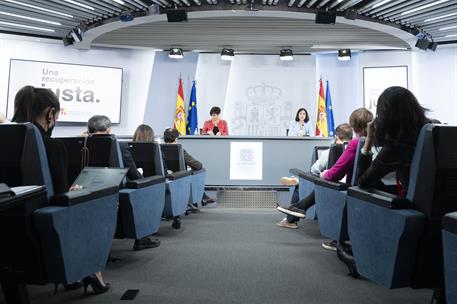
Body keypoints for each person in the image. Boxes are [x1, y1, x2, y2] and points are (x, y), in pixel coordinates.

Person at [11, 85, 110, 295]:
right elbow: (61, 196)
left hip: (10, 223)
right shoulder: (52, 146)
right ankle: (90, 270)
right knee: (89, 203)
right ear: (50, 113)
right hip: (41, 227)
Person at [277, 108, 373, 238]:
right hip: (369, 187)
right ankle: (299, 206)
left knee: (323, 179)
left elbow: (334, 174)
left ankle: (296, 208)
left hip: (352, 188)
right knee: (323, 179)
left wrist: (325, 174)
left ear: (354, 126)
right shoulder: (376, 143)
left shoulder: (356, 143)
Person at [87, 115, 161, 251]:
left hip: (85, 192)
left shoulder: (81, 145)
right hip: (118, 193)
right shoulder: (120, 147)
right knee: (146, 186)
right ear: (109, 130)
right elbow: (134, 175)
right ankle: (142, 238)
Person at [163, 127, 216, 206]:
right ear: (176, 139)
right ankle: (201, 198)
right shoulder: (180, 151)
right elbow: (198, 165)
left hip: (164, 177)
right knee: (197, 171)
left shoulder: (159, 149)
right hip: (179, 178)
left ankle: (201, 198)